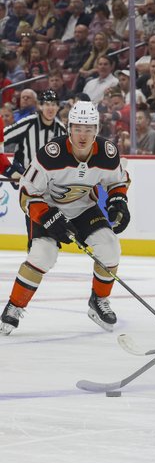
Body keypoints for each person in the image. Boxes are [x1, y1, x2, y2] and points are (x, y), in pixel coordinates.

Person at [1, 101, 130, 335]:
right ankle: (14, 305)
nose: (83, 134)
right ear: (69, 128)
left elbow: (118, 182)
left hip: (84, 208)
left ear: (97, 129)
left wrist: (118, 201)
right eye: (78, 128)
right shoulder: (51, 154)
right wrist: (48, 217)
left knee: (110, 247)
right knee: (43, 255)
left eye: (89, 128)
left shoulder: (108, 154)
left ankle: (98, 301)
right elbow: (27, 194)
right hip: (47, 207)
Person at [3, 90, 67, 179]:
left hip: (49, 180)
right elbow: (3, 136)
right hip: (24, 177)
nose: (50, 108)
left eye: (53, 104)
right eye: (47, 104)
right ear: (40, 106)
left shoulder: (61, 129)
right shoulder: (28, 123)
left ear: (58, 107)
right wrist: (9, 170)